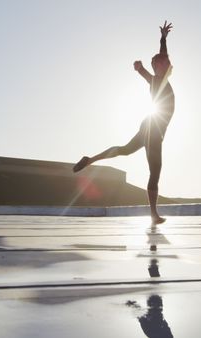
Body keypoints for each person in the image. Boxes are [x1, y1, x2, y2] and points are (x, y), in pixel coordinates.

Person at [73, 20, 175, 225]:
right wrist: (141, 68)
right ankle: (154, 214)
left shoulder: (163, 75)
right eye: (159, 65)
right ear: (157, 67)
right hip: (152, 129)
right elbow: (149, 74)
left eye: (164, 64)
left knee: (125, 150)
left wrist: (163, 39)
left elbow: (162, 56)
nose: (164, 65)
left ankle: (90, 159)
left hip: (152, 128)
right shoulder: (156, 80)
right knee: (153, 171)